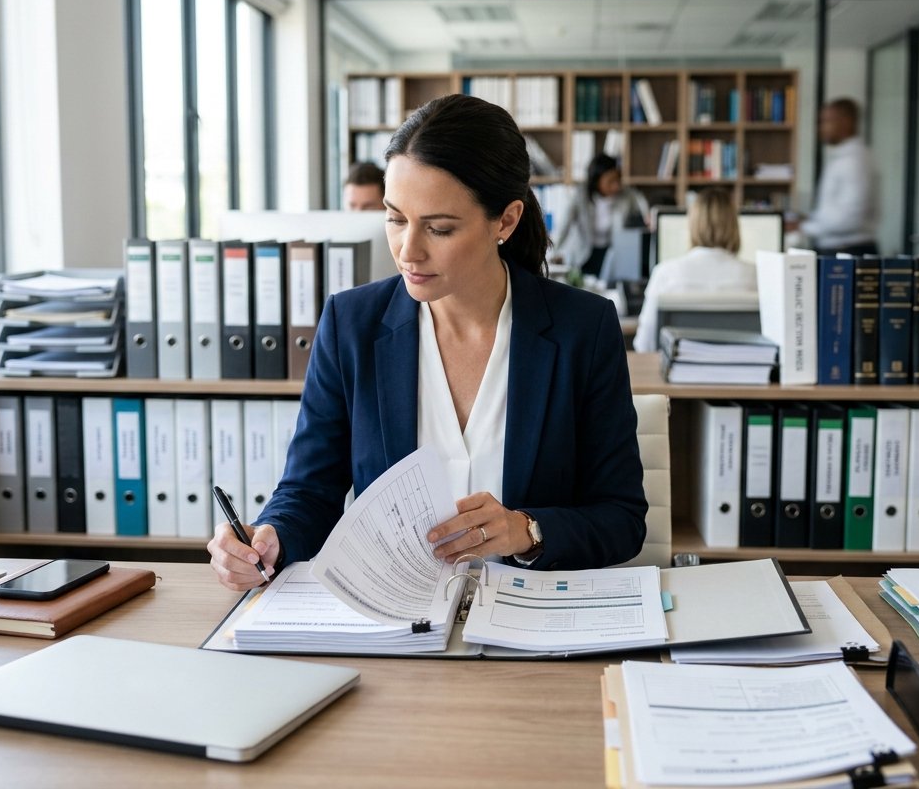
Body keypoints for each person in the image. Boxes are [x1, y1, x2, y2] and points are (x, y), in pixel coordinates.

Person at [209, 94, 648, 591]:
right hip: (398, 627)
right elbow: (309, 491)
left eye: (438, 228)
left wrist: (528, 530)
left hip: (533, 628)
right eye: (396, 218)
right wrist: (271, 536)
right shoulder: (350, 324)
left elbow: (622, 518)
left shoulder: (581, 328)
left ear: (504, 221)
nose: (407, 251)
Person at [632, 188, 758, 353]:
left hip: (676, 376)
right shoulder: (757, 275)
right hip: (745, 375)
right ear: (735, 225)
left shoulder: (665, 273)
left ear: (692, 225)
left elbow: (644, 345)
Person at [787, 98, 879, 256]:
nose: (821, 128)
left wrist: (804, 227)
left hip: (849, 250)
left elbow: (851, 216)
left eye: (827, 121)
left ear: (847, 122)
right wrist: (809, 219)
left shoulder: (854, 161)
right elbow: (837, 209)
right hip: (840, 248)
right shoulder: (845, 157)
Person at [551, 153, 649, 278]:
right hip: (584, 254)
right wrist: (554, 252)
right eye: (610, 181)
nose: (616, 186)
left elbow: (639, 199)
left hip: (611, 253)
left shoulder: (625, 196)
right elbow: (564, 226)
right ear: (597, 180)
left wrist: (648, 215)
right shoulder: (580, 195)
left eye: (617, 180)